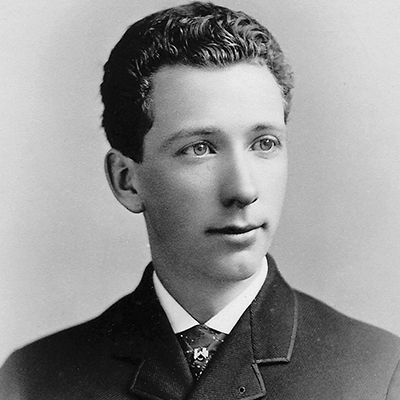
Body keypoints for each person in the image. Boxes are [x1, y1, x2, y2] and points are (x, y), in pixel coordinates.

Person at [1, 2, 399, 399]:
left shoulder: (380, 372)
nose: (243, 190)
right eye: (200, 148)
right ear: (126, 181)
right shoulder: (32, 380)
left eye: (264, 143)